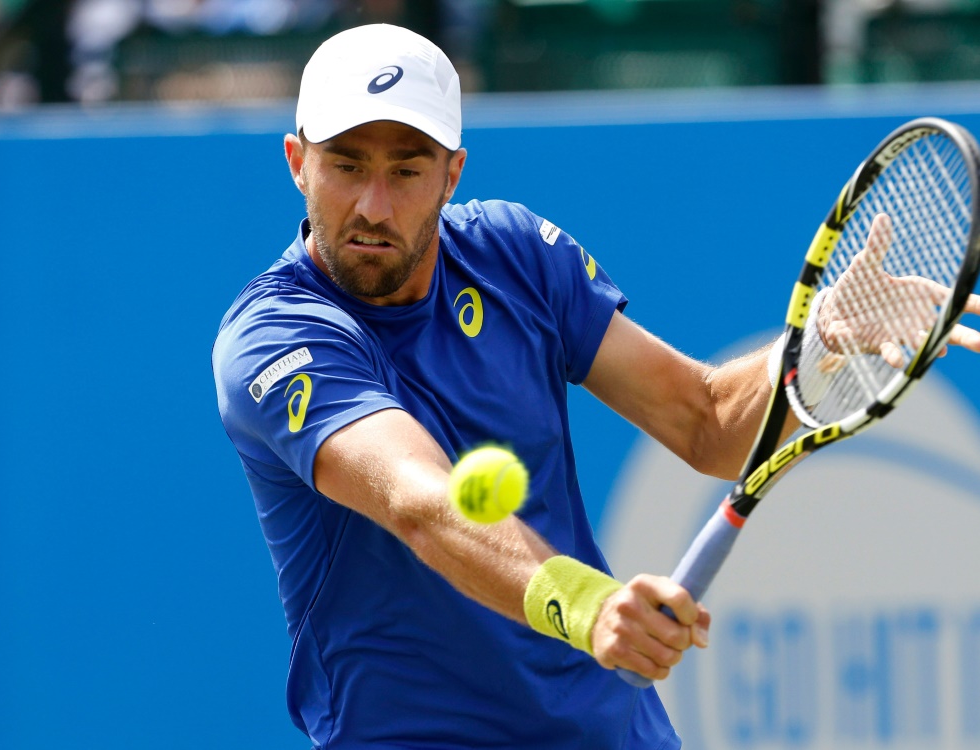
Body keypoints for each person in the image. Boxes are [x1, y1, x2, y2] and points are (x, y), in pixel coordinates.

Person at [211, 23, 980, 749]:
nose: (373, 206)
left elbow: (708, 421)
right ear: (296, 161)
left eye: (406, 170)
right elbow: (421, 502)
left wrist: (815, 345)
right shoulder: (275, 339)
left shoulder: (515, 254)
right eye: (346, 165)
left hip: (612, 732)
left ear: (451, 175)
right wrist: (588, 607)